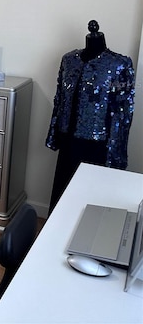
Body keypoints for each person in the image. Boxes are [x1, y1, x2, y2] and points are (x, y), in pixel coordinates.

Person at [45, 20, 135, 214]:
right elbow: (60, 98)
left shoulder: (120, 64)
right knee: (62, 197)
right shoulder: (68, 60)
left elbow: (124, 112)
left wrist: (116, 154)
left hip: (98, 146)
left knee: (89, 204)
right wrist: (54, 134)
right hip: (68, 140)